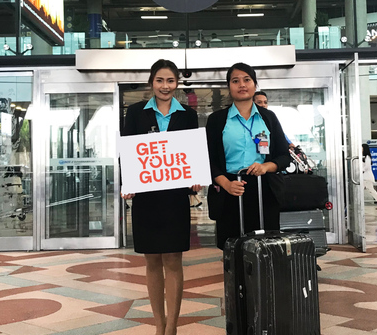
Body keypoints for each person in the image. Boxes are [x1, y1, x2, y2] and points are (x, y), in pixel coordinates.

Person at [121, 59, 201, 335]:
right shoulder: (134, 113)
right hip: (146, 197)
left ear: (177, 83)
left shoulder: (188, 115)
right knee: (151, 260)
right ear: (151, 82)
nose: (165, 86)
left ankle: (172, 327)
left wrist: (195, 177)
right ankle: (159, 324)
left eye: (170, 81)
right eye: (160, 80)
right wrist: (128, 180)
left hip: (175, 198)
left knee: (173, 261)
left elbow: (192, 155)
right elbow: (128, 151)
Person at [206, 63, 291, 249]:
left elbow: (285, 156)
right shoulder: (217, 120)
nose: (242, 85)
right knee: (232, 250)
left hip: (264, 189)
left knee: (266, 249)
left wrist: (266, 166)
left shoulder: (268, 117)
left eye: (247, 80)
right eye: (235, 81)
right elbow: (208, 160)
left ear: (254, 84)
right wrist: (226, 183)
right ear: (229, 86)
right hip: (230, 189)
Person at [362, 143, 377, 209]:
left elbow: (367, 166)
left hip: (366, 177)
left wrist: (362, 170)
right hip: (364, 177)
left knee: (370, 190)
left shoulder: (367, 157)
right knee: (370, 190)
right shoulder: (363, 157)